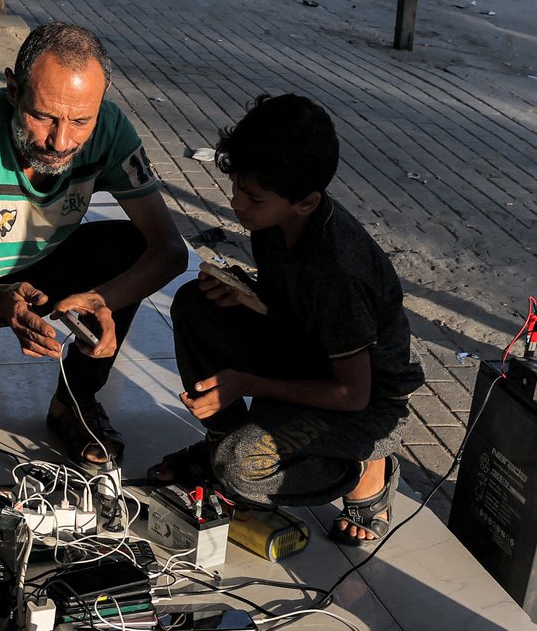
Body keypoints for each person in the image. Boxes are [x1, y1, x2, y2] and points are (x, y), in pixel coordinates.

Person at [0, 23, 187, 466]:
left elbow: (169, 251)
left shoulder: (112, 129)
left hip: (36, 270)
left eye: (81, 120)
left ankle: (74, 402)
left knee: (130, 248)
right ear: (12, 90)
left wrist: (104, 299)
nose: (61, 142)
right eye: (43, 116)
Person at [151, 94, 424, 546]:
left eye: (252, 196)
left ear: (306, 201)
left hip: (367, 406)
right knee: (195, 302)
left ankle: (364, 469)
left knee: (241, 467)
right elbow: (294, 307)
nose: (236, 202)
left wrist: (246, 383)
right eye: (236, 185)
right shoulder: (277, 222)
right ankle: (220, 440)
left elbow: (353, 393)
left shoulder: (338, 271)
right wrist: (246, 295)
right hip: (307, 357)